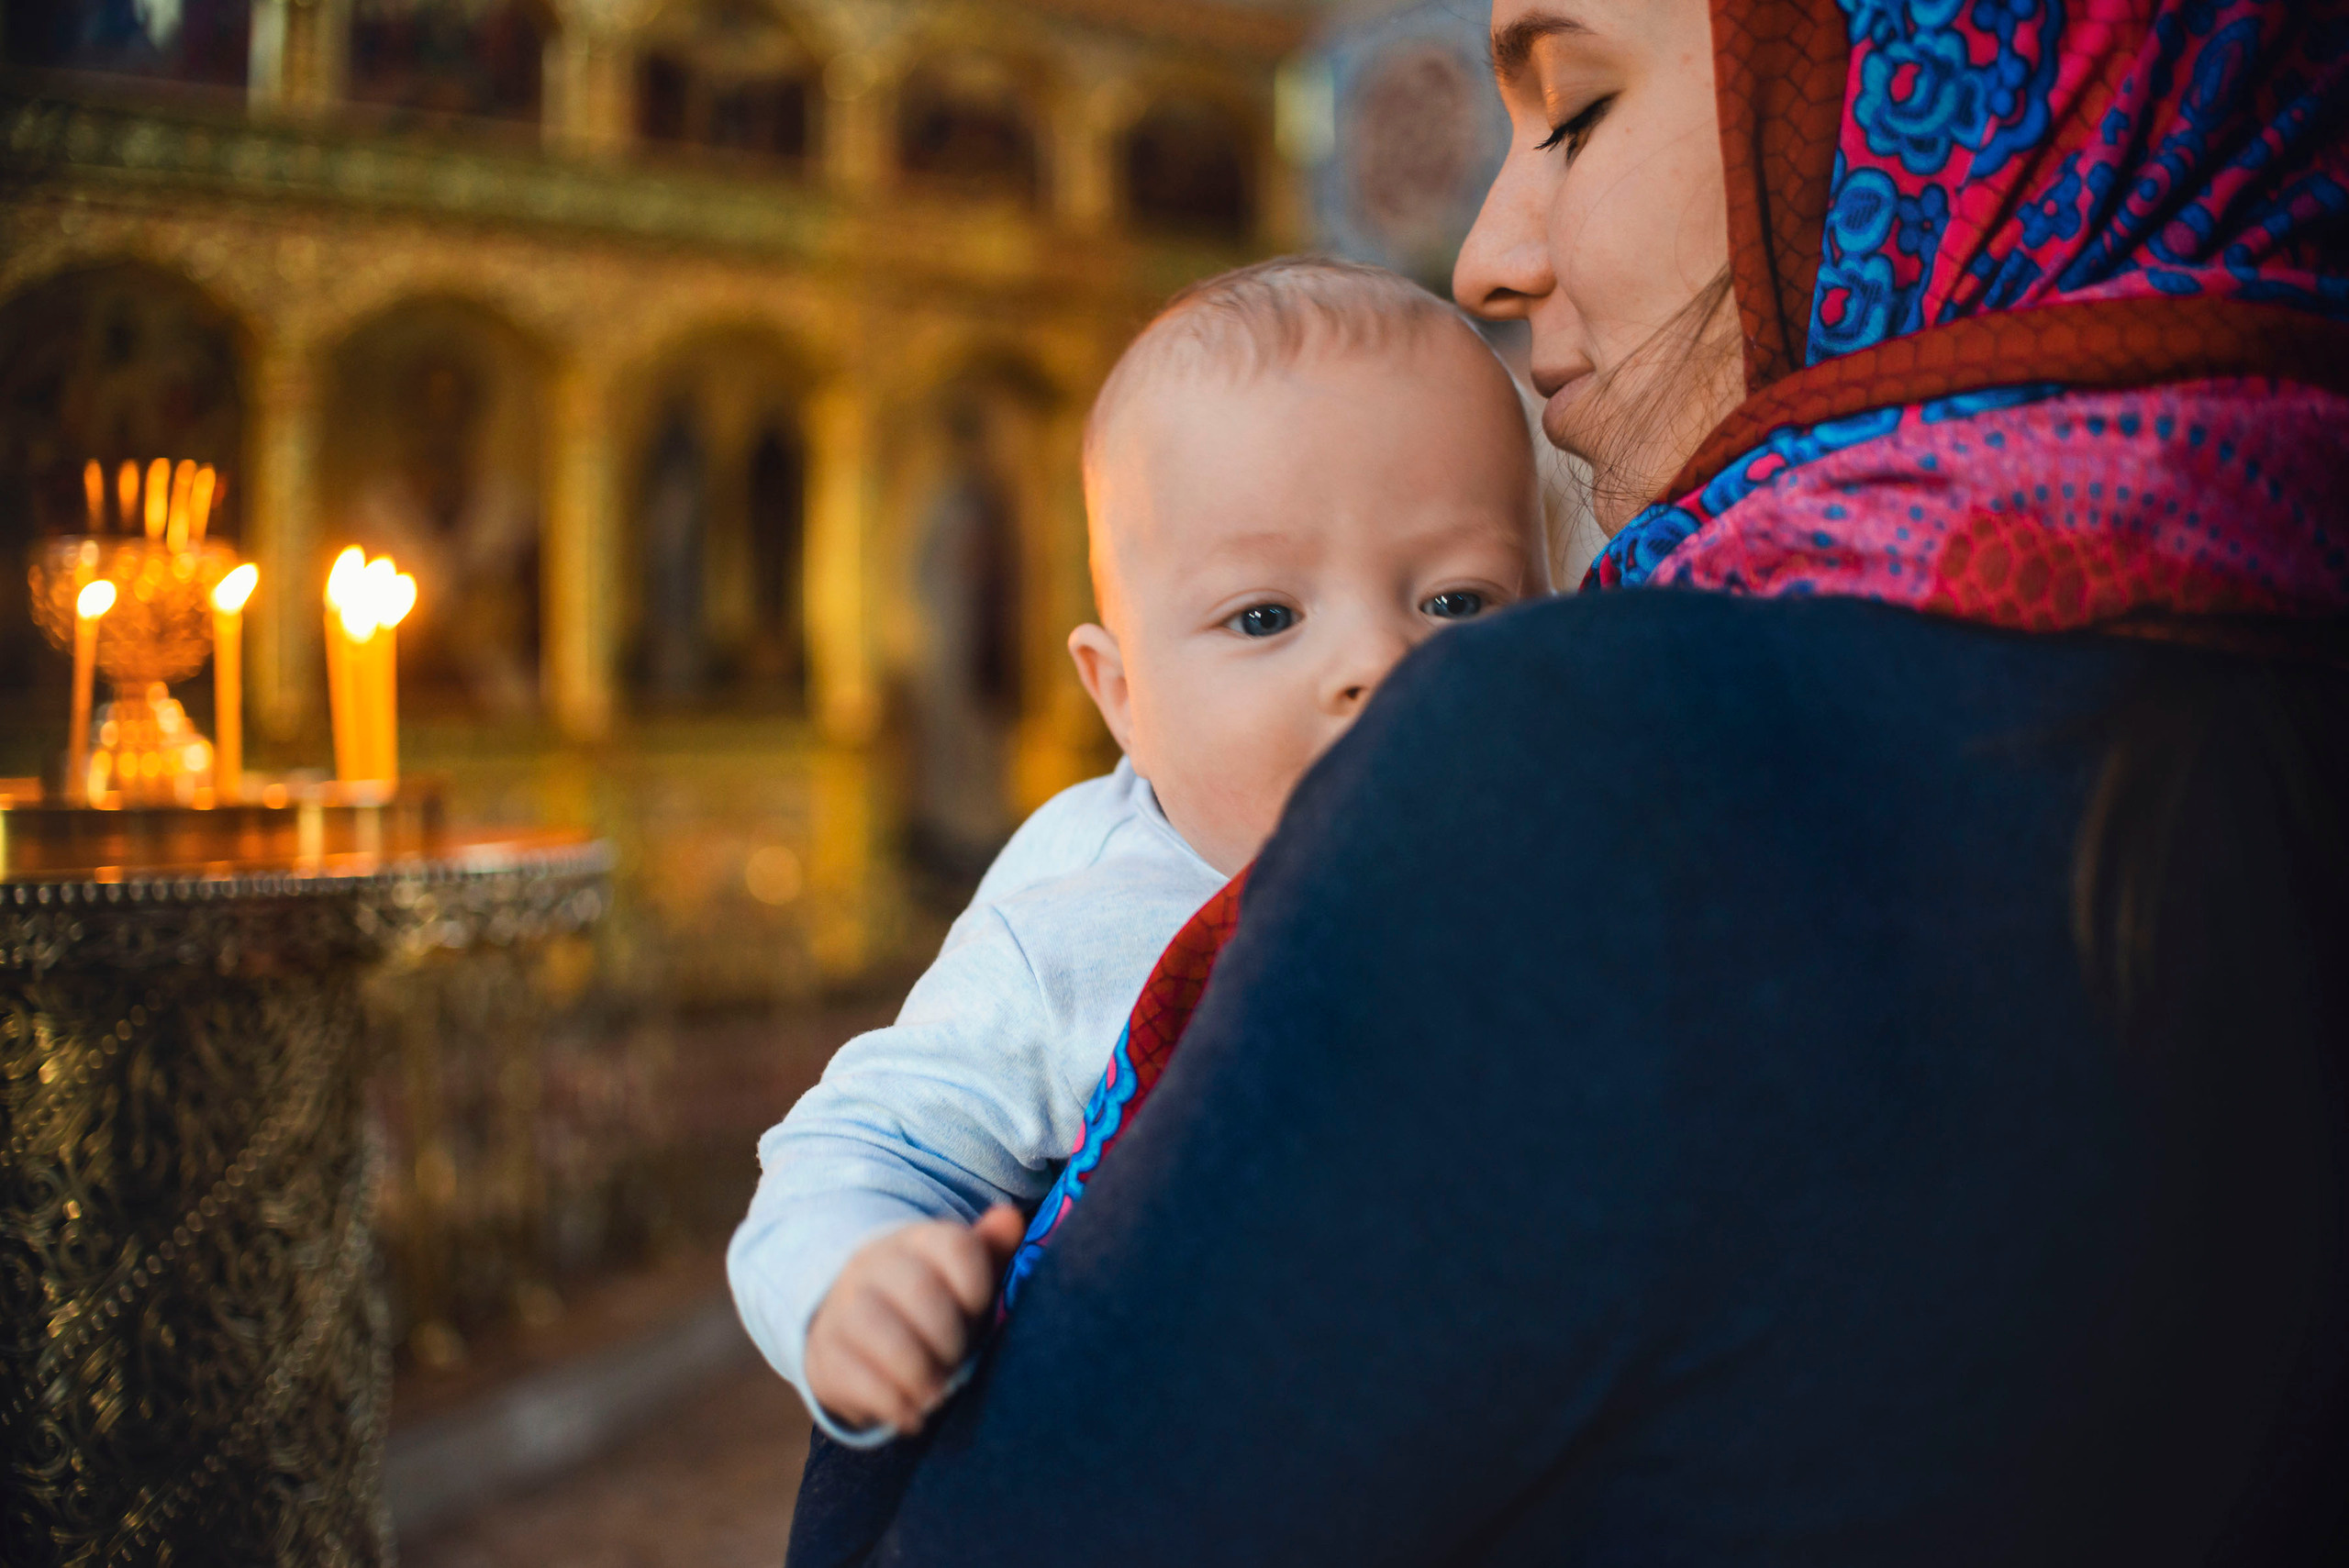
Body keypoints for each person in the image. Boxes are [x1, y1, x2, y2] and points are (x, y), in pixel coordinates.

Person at [812, 0, 2349, 1562]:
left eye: (1575, 111)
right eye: (1264, 614)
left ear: (1939, 87)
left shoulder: (1594, 783)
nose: (1487, 254)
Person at [729, 258, 1548, 1444]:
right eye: (1265, 615)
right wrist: (856, 1282)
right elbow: (857, 1145)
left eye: (1460, 602)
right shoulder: (1080, 919)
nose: (1380, 659)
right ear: (1125, 697)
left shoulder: (1559, 840)